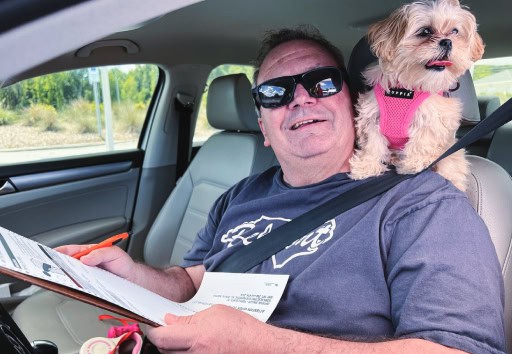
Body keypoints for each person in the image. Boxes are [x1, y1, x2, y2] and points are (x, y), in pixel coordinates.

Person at [59, 26, 506, 353]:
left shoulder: (420, 202)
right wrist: (133, 276)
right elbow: (190, 282)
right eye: (275, 92)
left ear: (352, 103)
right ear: (264, 128)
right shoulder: (238, 196)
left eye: (321, 83)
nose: (300, 99)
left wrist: (257, 343)